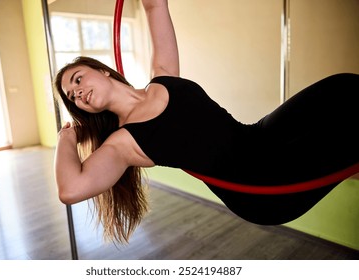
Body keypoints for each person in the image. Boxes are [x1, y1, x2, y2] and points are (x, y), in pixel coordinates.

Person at [54, 0, 359, 243]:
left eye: (77, 79)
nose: (77, 92)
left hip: (260, 139)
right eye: (72, 96)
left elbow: (155, 5)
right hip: (261, 185)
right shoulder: (121, 144)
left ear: (103, 70)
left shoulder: (162, 77)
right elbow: (70, 189)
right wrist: (66, 136)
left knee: (345, 87)